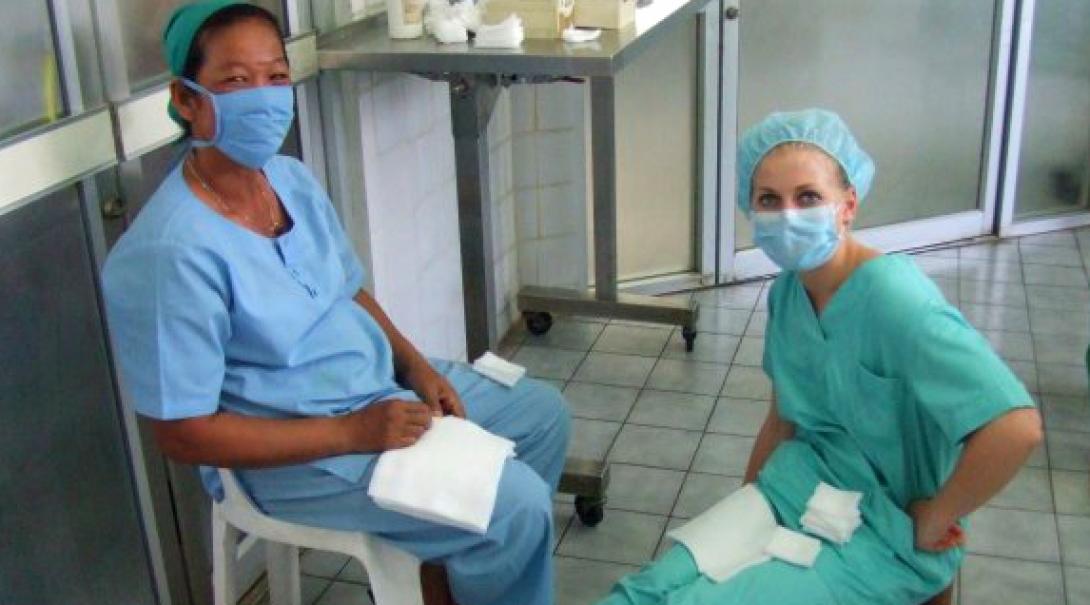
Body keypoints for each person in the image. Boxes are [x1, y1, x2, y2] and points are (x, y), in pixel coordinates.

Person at [101, 3, 570, 605]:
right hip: (295, 451)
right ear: (188, 101)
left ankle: (448, 579)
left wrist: (416, 367)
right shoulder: (169, 255)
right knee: (518, 509)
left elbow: (349, 291)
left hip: (375, 392)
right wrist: (349, 432)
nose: (265, 97)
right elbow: (184, 435)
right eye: (237, 81)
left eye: (276, 76)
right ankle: (477, 555)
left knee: (541, 416)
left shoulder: (288, 179)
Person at [595, 109, 1043, 605]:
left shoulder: (895, 300)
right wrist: (745, 511)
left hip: (882, 530)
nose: (787, 215)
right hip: (797, 487)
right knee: (642, 593)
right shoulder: (789, 294)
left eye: (808, 197)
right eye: (769, 200)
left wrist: (937, 517)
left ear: (847, 205)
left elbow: (1015, 427)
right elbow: (782, 421)